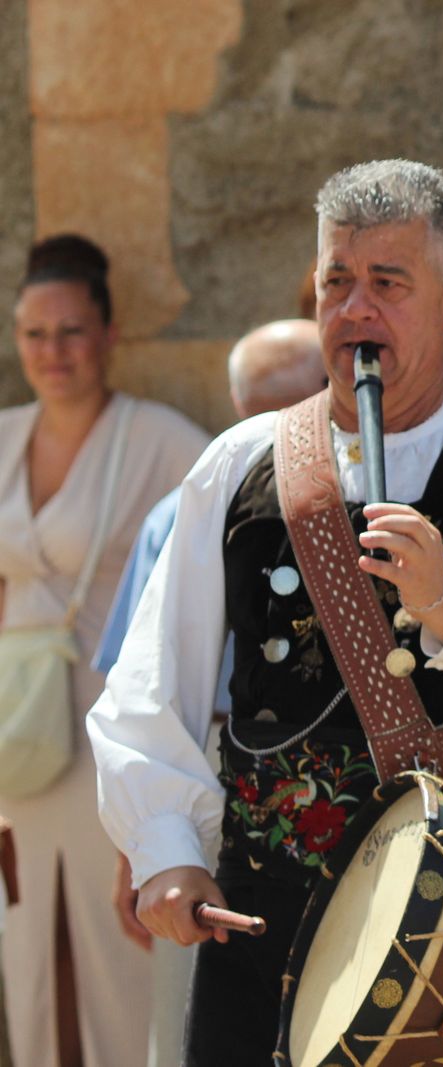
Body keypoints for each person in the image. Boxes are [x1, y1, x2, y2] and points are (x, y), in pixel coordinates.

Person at [85, 159, 443, 1065]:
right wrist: (165, 845)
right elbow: (151, 679)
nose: (355, 310)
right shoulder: (240, 464)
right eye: (337, 281)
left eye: (388, 283)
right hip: (258, 922)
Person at [90, 318, 324, 1067]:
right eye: (268, 406)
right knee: (198, 1008)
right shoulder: (188, 509)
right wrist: (140, 847)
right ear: (234, 407)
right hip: (210, 777)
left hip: (335, 784)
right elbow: (137, 685)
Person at [0, 234, 210, 1067]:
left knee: (117, 948)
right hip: (15, 729)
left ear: (110, 334)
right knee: (26, 952)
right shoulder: (3, 435)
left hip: (105, 727)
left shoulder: (160, 439)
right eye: (34, 333)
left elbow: (210, 560)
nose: (53, 352)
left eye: (72, 330)